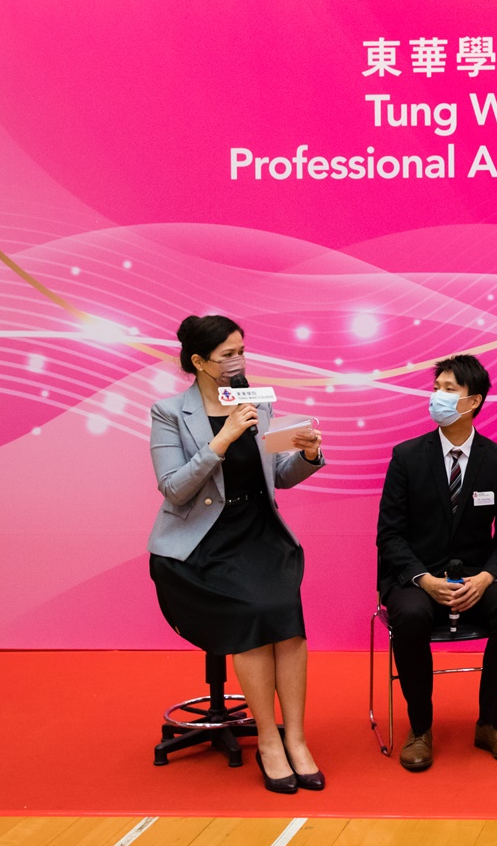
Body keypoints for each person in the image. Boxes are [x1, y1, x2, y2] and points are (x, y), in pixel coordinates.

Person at [148, 315, 326, 794]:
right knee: (254, 611)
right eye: (227, 354)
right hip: (202, 545)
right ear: (199, 362)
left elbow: (276, 478)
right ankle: (268, 741)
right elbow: (174, 490)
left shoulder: (255, 402)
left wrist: (307, 455)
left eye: (241, 351)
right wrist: (222, 438)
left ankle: (298, 739)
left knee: (286, 615)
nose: (238, 362)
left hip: (260, 534)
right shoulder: (169, 412)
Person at [376, 354, 497, 770]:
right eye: (436, 388)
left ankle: (492, 724)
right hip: (416, 580)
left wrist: (486, 577)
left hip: (476, 577)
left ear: (473, 400)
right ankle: (420, 729)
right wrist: (423, 579)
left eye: (449, 390)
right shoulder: (407, 457)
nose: (437, 397)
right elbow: (389, 535)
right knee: (408, 616)